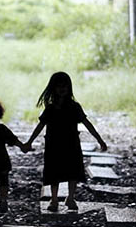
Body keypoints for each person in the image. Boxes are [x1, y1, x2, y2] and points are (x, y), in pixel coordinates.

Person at [25, 71, 107, 212]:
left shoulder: (74, 107)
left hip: (71, 144)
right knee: (53, 172)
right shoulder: (50, 108)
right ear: (53, 88)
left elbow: (87, 124)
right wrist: (29, 141)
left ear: (69, 88)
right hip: (54, 145)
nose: (62, 88)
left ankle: (70, 197)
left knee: (73, 171)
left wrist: (100, 139)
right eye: (59, 86)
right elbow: (40, 126)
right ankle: (54, 199)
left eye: (65, 86)